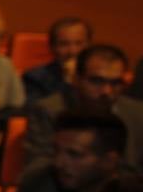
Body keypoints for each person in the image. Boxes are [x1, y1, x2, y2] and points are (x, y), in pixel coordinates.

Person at [25, 43, 143, 173]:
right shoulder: (48, 110)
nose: (107, 91)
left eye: (115, 83)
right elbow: (39, 166)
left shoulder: (138, 113)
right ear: (76, 79)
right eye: (97, 81)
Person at [22, 17, 93, 105]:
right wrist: (70, 82)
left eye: (79, 43)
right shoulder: (34, 78)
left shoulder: (100, 76)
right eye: (64, 44)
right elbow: (37, 110)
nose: (73, 51)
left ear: (89, 45)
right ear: (52, 47)